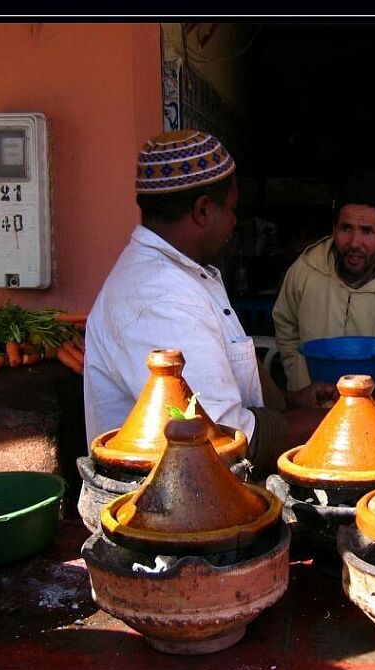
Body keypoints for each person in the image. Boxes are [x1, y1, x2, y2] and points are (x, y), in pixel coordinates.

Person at [84, 130, 336, 476]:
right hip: (168, 511)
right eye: (231, 209)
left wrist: (291, 402)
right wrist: (343, 420)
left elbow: (222, 389)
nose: (234, 221)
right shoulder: (161, 299)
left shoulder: (187, 274)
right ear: (203, 210)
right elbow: (225, 438)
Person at [272, 169, 375, 391]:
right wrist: (300, 381)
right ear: (334, 228)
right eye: (346, 228)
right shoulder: (306, 270)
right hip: (313, 407)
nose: (354, 243)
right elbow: (286, 325)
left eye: (367, 231)